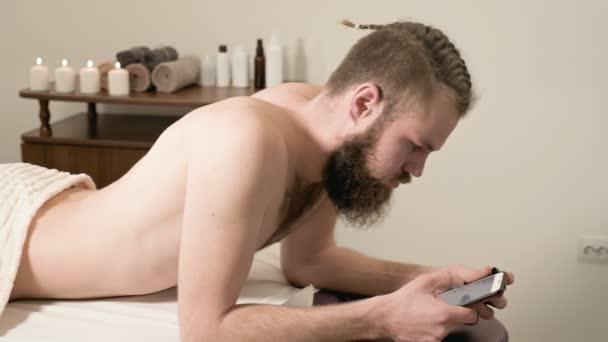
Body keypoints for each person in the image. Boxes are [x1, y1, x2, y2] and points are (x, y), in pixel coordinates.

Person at [7, 20, 514, 341]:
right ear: (364, 104)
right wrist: (382, 318)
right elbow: (204, 331)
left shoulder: (328, 135)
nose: (416, 169)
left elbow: (308, 261)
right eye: (415, 145)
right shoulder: (244, 139)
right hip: (14, 231)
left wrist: (431, 279)